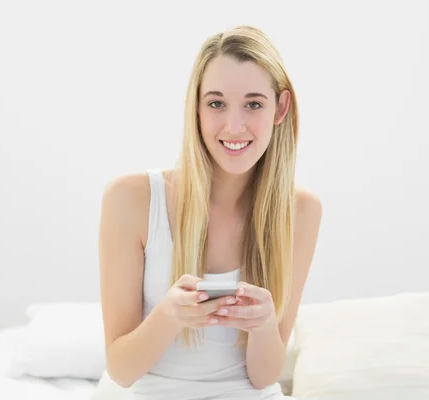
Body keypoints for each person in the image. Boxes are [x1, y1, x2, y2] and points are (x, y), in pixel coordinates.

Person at [98, 25, 322, 400]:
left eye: (253, 104)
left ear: (280, 108)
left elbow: (264, 376)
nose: (234, 127)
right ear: (196, 108)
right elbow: (121, 371)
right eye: (216, 103)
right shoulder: (131, 198)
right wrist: (169, 316)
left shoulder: (301, 211)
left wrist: (265, 324)